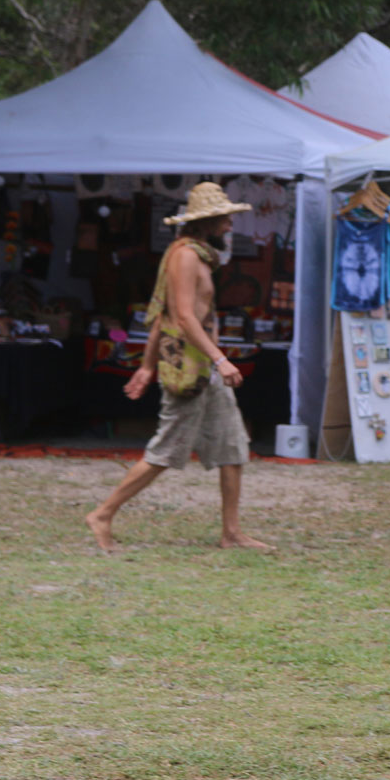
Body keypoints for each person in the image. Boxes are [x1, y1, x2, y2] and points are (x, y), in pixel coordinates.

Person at [86, 182, 271, 553]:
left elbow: (164, 315)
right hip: (188, 366)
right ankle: (102, 514)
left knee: (233, 447)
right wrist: (220, 359)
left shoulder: (200, 256)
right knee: (166, 451)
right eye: (224, 219)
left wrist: (146, 365)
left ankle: (231, 533)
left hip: (204, 366)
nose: (229, 226)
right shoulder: (184, 256)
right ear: (207, 222)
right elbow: (182, 317)